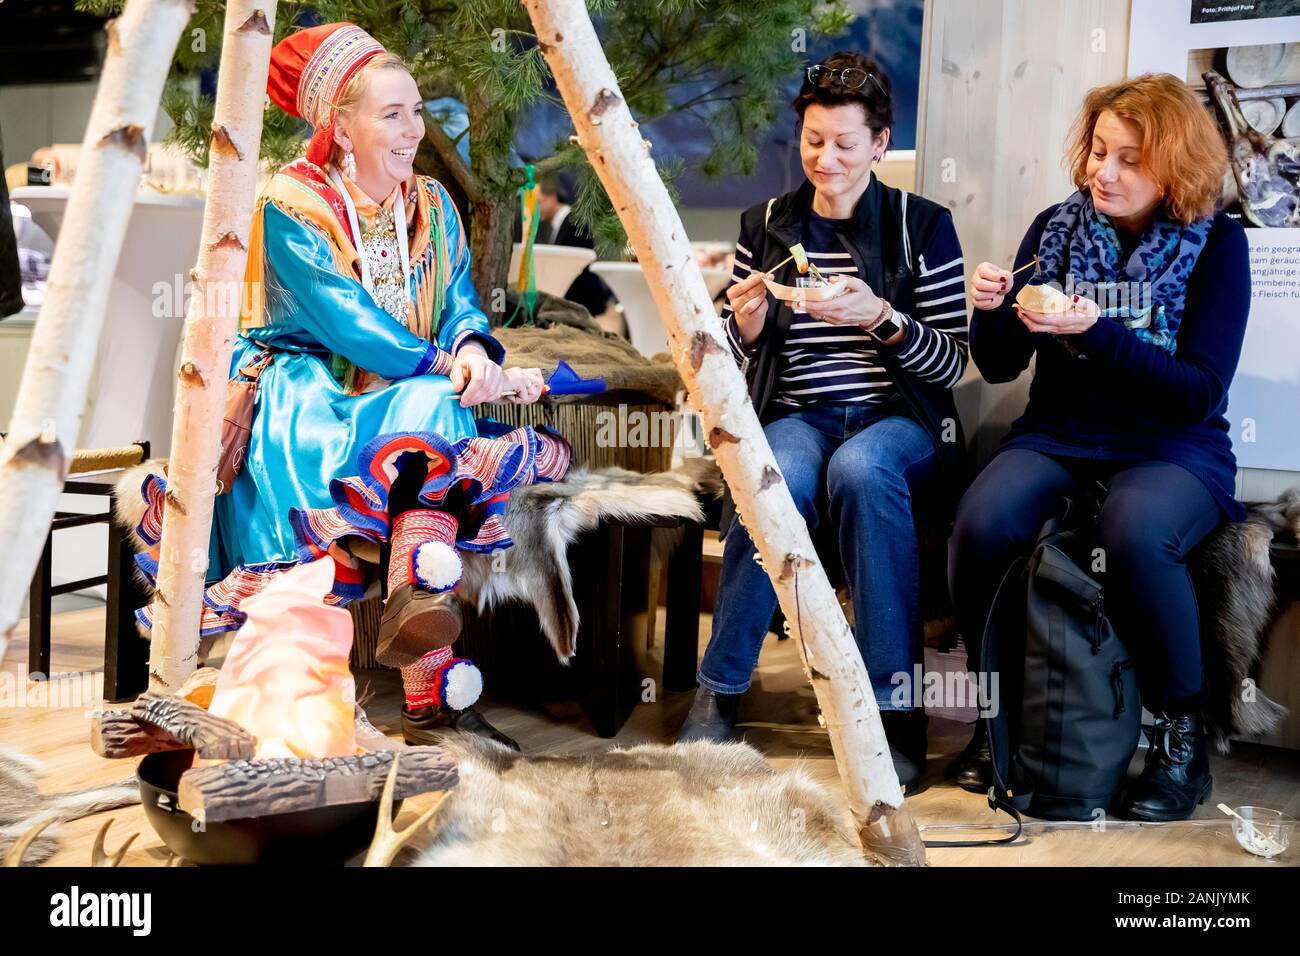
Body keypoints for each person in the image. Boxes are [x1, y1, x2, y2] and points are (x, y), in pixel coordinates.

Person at [130, 23, 570, 751]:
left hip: (406, 394)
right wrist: (447, 367)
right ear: (340, 126)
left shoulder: (429, 202)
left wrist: (468, 345)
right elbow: (349, 326)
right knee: (438, 409)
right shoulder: (291, 204)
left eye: (418, 111)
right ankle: (430, 691)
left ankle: (414, 606)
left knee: (436, 414)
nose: (413, 130)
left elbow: (459, 297)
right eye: (392, 115)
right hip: (306, 394)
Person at [949, 73, 1249, 820]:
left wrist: (1099, 334)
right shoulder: (1056, 230)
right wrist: (989, 312)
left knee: (1137, 530)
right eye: (1098, 151)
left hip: (1173, 446)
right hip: (1059, 435)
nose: (1102, 173)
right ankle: (998, 721)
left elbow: (1198, 391)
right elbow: (999, 365)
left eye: (1128, 160)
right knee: (983, 522)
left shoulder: (1219, 244)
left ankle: (1184, 738)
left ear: (1173, 166)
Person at [676, 52, 970, 793]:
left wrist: (881, 316)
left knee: (861, 471)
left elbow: (953, 366)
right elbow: (727, 358)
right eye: (813, 140)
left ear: (880, 142)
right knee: (772, 477)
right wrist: (739, 327)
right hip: (798, 413)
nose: (826, 158)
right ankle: (720, 691)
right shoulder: (768, 225)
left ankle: (892, 710)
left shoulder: (922, 228)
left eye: (845, 142)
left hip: (897, 421)